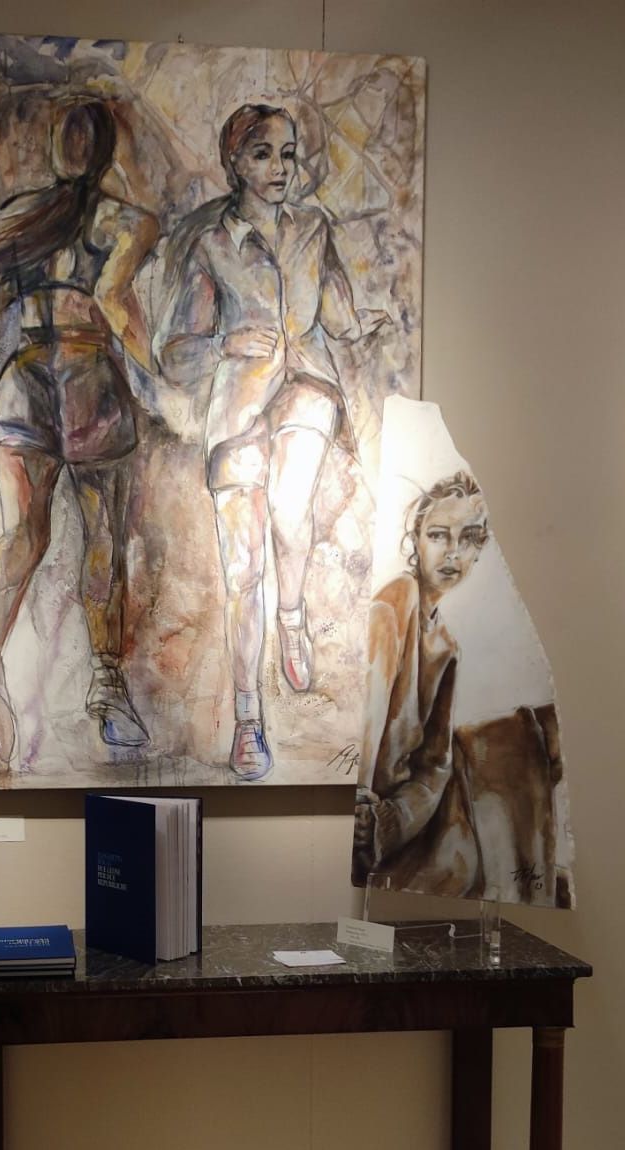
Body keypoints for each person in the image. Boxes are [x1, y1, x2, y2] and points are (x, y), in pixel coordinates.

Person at [158, 102, 387, 780]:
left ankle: (292, 615)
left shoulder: (315, 229)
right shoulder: (210, 244)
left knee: (291, 512)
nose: (280, 167)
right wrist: (224, 344)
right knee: (241, 571)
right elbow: (175, 353)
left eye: (287, 154)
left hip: (307, 388)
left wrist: (366, 322)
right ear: (234, 163)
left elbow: (339, 316)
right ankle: (248, 719)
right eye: (262, 154)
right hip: (237, 412)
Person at [0, 97, 159, 770]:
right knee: (103, 539)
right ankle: (107, 686)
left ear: (55, 149)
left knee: (22, 534)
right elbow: (115, 303)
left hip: (26, 379)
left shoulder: (22, 220)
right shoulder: (128, 222)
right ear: (106, 151)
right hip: (90, 380)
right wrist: (161, 378)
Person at [353, 474, 486, 889]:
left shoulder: (447, 647)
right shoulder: (398, 598)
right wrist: (361, 800)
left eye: (468, 539)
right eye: (438, 535)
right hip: (362, 804)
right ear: (416, 540)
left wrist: (391, 820)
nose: (452, 553)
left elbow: (435, 765)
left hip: (389, 815)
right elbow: (370, 709)